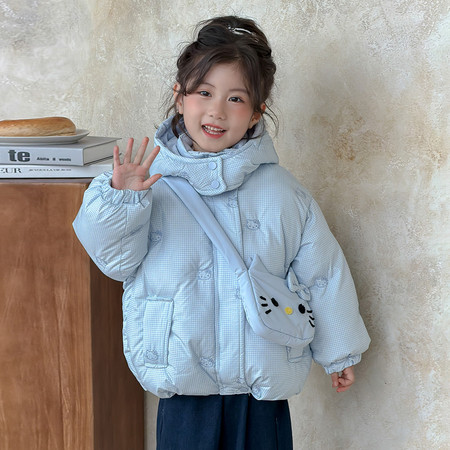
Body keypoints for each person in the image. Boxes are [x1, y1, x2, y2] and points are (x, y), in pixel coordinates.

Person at [73, 15, 370, 450]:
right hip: (183, 385)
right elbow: (114, 262)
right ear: (180, 98)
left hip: (260, 388)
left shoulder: (283, 193)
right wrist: (122, 200)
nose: (216, 111)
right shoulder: (147, 183)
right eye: (204, 93)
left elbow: (323, 273)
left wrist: (338, 351)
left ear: (256, 113)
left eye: (235, 98)